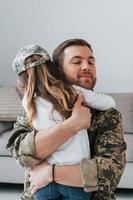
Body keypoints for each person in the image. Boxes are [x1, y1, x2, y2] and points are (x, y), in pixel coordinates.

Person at [6, 39, 126, 200]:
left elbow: (109, 173)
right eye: (77, 62)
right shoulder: (33, 106)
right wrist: (73, 125)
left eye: (91, 62)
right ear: (57, 71)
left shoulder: (108, 114)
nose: (86, 66)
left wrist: (51, 173)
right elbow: (22, 156)